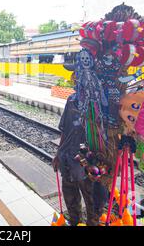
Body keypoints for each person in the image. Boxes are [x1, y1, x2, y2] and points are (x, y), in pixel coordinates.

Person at [52, 91, 104, 226]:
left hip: (88, 162)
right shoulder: (71, 99)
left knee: (92, 201)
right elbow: (65, 129)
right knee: (70, 197)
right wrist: (58, 153)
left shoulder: (99, 100)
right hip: (67, 157)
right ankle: (75, 222)